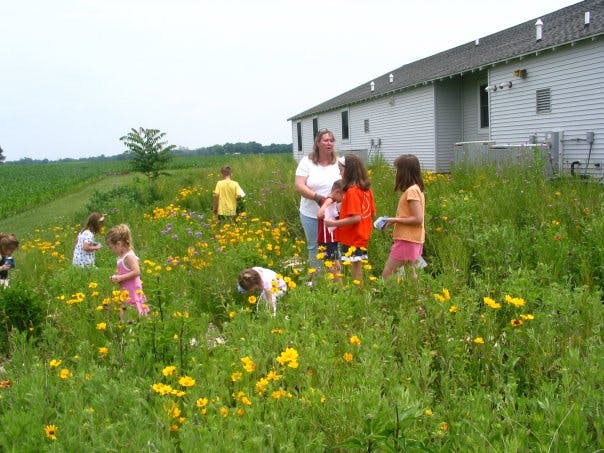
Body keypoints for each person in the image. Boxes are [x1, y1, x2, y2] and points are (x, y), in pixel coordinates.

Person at [294, 129, 341, 270]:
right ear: (317, 143)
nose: (329, 143)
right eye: (325, 140)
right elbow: (299, 185)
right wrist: (317, 198)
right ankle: (317, 282)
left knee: (333, 246)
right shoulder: (307, 162)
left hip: (333, 215)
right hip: (310, 213)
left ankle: (336, 282)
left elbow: (346, 184)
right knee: (314, 247)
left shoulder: (339, 162)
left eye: (331, 140)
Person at [324, 154, 376, 281]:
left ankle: (358, 297)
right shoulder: (366, 190)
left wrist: (332, 223)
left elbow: (356, 218)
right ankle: (359, 294)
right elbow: (372, 213)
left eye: (341, 170)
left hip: (353, 237)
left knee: (355, 270)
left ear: (349, 171)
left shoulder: (351, 191)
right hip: (362, 235)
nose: (340, 173)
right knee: (357, 267)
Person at [381, 154, 425, 280]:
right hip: (414, 239)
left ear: (404, 172)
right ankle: (416, 299)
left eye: (397, 170)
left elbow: (418, 218)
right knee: (411, 276)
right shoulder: (417, 189)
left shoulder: (411, 191)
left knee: (387, 275)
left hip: (407, 240)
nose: (396, 173)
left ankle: (389, 298)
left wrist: (394, 220)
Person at [105, 224, 149, 318]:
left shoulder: (129, 256)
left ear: (119, 244)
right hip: (126, 292)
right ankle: (127, 331)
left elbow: (137, 271)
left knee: (136, 315)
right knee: (126, 316)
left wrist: (120, 277)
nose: (111, 250)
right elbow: (125, 271)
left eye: (111, 247)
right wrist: (117, 277)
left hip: (133, 291)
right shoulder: (121, 257)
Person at [317, 179, 344, 279]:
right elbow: (319, 214)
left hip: (332, 239)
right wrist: (328, 202)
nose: (344, 199)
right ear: (337, 192)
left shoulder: (334, 201)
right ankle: (339, 290)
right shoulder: (329, 201)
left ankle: (340, 288)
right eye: (344, 196)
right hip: (327, 240)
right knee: (332, 266)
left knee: (336, 265)